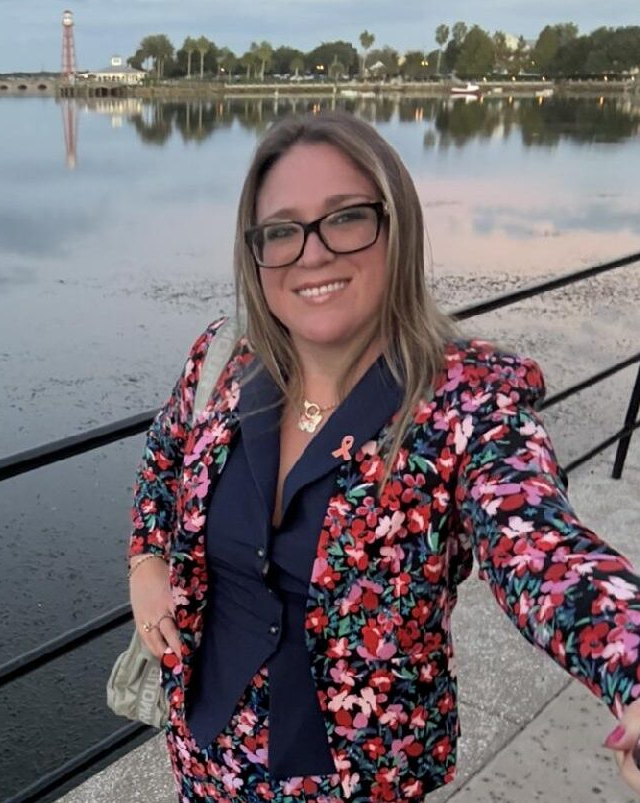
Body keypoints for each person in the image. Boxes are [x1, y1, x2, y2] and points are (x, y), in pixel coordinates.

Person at [126, 111, 640, 802]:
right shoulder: (224, 359)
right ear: (255, 253)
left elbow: (541, 547)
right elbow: (163, 456)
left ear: (396, 228)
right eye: (281, 230)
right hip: (202, 757)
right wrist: (145, 558)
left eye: (345, 218)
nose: (312, 252)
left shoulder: (466, 402)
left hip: (355, 784)